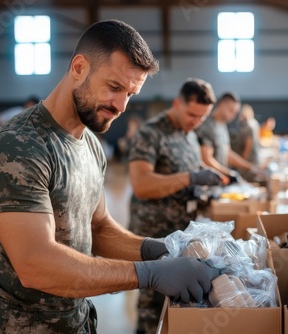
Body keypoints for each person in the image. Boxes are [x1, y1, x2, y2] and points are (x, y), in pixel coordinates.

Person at [0, 20, 219, 334]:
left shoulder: (90, 144)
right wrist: (148, 273)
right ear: (79, 67)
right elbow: (36, 264)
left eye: (131, 94)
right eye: (115, 87)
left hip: (79, 320)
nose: (121, 105)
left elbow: (99, 226)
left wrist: (159, 249)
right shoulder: (19, 145)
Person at [127, 78, 222, 333]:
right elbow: (141, 184)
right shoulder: (151, 132)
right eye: (192, 114)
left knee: (176, 303)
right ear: (177, 103)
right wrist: (190, 178)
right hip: (154, 233)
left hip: (179, 233)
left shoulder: (189, 135)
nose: (196, 121)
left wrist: (200, 188)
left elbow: (180, 176)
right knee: (152, 304)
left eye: (202, 117)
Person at [196, 92, 262, 182]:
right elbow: (206, 159)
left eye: (235, 112)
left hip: (220, 181)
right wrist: (229, 174)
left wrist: (249, 167)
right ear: (222, 105)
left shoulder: (222, 125)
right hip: (209, 183)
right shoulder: (207, 126)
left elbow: (227, 153)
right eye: (231, 110)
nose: (233, 116)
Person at [229, 104, 261, 181]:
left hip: (248, 160)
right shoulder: (254, 123)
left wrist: (243, 160)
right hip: (254, 158)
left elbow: (248, 144)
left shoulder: (248, 126)